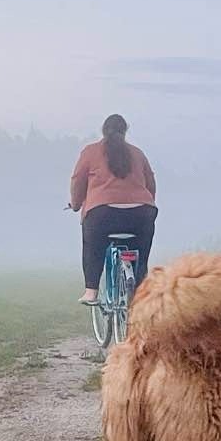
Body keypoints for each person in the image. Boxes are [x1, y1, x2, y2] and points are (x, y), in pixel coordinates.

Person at [68, 114, 157, 303]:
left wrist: (76, 205)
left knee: (92, 246)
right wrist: (147, 204)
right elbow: (150, 183)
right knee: (140, 253)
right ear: (125, 131)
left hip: (102, 213)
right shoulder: (138, 153)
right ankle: (140, 291)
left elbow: (78, 182)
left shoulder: (90, 152)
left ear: (103, 130)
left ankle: (91, 291)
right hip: (141, 214)